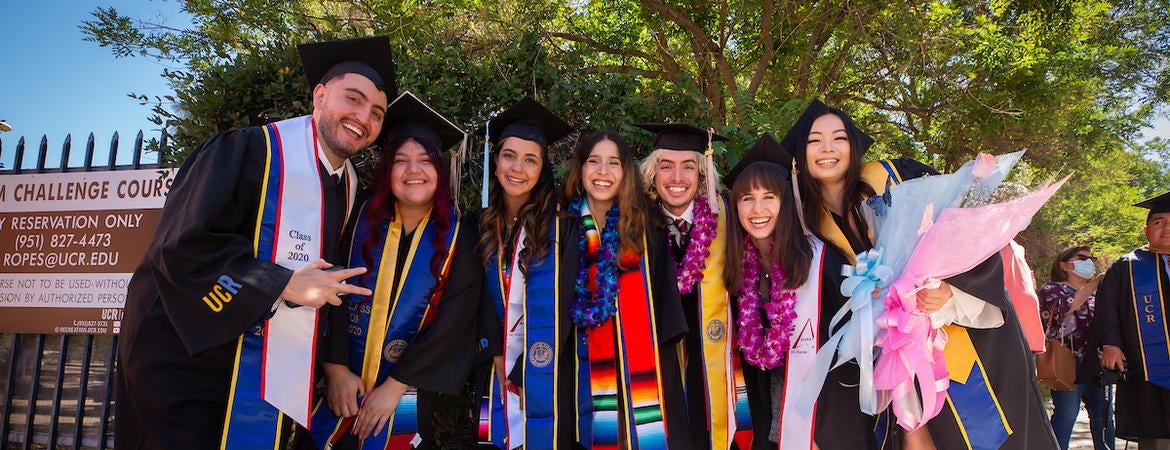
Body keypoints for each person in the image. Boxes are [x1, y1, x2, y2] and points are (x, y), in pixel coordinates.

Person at [115, 36, 394, 450]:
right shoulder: (245, 150)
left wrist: (334, 364)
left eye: (376, 113)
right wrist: (280, 283)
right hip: (186, 368)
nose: (363, 117)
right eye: (352, 99)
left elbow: (329, 284)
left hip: (269, 379)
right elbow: (181, 246)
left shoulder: (347, 188)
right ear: (319, 96)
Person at [781, 99, 1057, 450]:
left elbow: (964, 230)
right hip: (886, 367)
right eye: (814, 140)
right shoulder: (806, 227)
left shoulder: (896, 177)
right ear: (799, 156)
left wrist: (949, 294)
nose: (827, 148)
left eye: (839, 138)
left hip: (958, 341)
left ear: (853, 146)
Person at [307, 91, 483, 449]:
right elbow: (329, 286)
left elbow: (453, 322)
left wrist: (395, 386)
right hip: (339, 384)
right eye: (401, 160)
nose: (413, 170)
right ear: (388, 170)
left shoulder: (460, 237)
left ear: (440, 169)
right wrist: (336, 368)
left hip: (408, 392)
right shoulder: (356, 218)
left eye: (425, 160)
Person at [722, 134, 876, 449]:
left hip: (824, 424)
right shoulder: (738, 269)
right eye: (746, 199)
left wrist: (822, 433)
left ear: (786, 202)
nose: (757, 209)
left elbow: (852, 352)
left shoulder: (821, 261)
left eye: (769, 197)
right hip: (769, 425)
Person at [562, 130, 691, 449]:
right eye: (594, 161)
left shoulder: (648, 226)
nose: (603, 172)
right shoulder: (562, 226)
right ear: (580, 169)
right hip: (582, 370)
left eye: (613, 163)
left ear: (626, 172)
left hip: (643, 370)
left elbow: (664, 304)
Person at [473, 98, 578, 449]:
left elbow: (568, 308)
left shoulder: (563, 229)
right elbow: (476, 297)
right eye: (508, 156)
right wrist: (494, 350)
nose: (517, 167)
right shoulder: (480, 225)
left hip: (547, 372)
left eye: (530, 159)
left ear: (542, 168)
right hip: (493, 368)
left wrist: (523, 370)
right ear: (495, 160)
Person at [635, 123, 748, 449]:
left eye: (688, 167)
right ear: (652, 174)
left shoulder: (728, 217)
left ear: (702, 175)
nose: (676, 178)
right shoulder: (635, 225)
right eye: (665, 166)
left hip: (717, 367)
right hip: (656, 370)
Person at [1083, 191, 1170, 450]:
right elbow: (1107, 306)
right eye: (1159, 222)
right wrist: (1111, 343)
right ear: (1146, 230)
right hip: (1147, 366)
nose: (1166, 228)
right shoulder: (1128, 265)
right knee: (1155, 433)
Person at [1040, 245, 1114, 450]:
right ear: (1064, 264)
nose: (1088, 262)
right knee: (1066, 413)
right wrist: (1096, 283)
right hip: (1066, 361)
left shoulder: (1096, 295)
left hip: (1097, 362)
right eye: (1082, 258)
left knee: (1104, 416)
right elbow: (1067, 308)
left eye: (1091, 258)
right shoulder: (1052, 289)